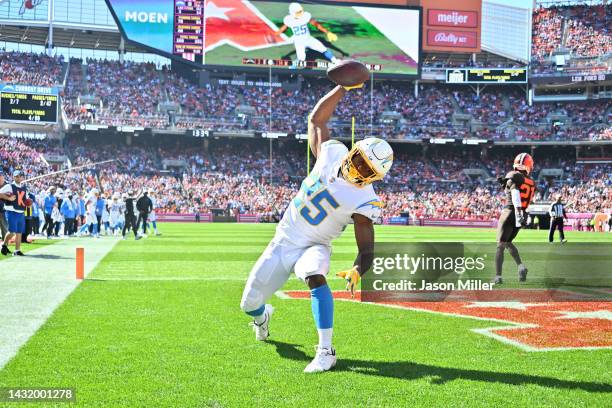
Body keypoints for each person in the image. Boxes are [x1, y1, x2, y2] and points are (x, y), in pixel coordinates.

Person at [240, 83, 393, 373]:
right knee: (248, 303)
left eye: (367, 170)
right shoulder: (332, 153)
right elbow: (316, 120)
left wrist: (358, 269)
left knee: (314, 275)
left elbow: (367, 249)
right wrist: (342, 87)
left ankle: (326, 351)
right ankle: (262, 318)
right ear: (354, 151)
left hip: (315, 246)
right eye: (359, 160)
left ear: (374, 177)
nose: (358, 170)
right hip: (283, 241)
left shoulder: (365, 200)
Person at [493, 153, 536, 284]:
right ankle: (521, 267)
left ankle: (498, 277)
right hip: (522, 214)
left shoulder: (513, 175)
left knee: (500, 245)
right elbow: (524, 196)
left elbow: (515, 192)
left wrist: (517, 212)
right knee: (507, 242)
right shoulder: (531, 182)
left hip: (511, 211)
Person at [274, 2, 339, 67]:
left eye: (300, 11)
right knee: (301, 58)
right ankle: (292, 69)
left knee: (324, 49)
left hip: (309, 39)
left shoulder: (305, 16)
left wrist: (327, 32)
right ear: (292, 13)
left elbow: (316, 25)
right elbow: (281, 30)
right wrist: (274, 34)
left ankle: (335, 61)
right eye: (298, 12)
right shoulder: (289, 20)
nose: (300, 13)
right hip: (299, 42)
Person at [0, 171, 29, 256]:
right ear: (13, 177)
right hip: (11, 211)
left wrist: (29, 203)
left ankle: (17, 250)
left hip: (21, 212)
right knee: (12, 231)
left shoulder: (24, 188)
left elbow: (26, 200)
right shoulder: (9, 186)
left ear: (23, 177)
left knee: (19, 232)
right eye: (16, 176)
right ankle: (4, 244)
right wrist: (8, 198)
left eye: (20, 176)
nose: (18, 178)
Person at [0, 172, 8, 246]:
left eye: (1, 177)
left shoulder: (7, 186)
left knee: (4, 228)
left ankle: (5, 246)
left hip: (3, 210)